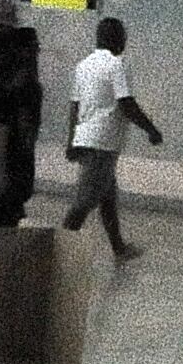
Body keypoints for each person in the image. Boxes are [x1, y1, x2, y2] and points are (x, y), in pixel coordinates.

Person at [59, 17, 162, 262]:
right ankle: (58, 245)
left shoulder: (83, 65)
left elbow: (75, 106)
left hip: (86, 137)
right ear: (117, 39)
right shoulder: (117, 65)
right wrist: (151, 129)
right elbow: (126, 103)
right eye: (123, 36)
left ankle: (119, 248)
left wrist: (72, 139)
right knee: (86, 200)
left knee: (107, 197)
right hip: (103, 142)